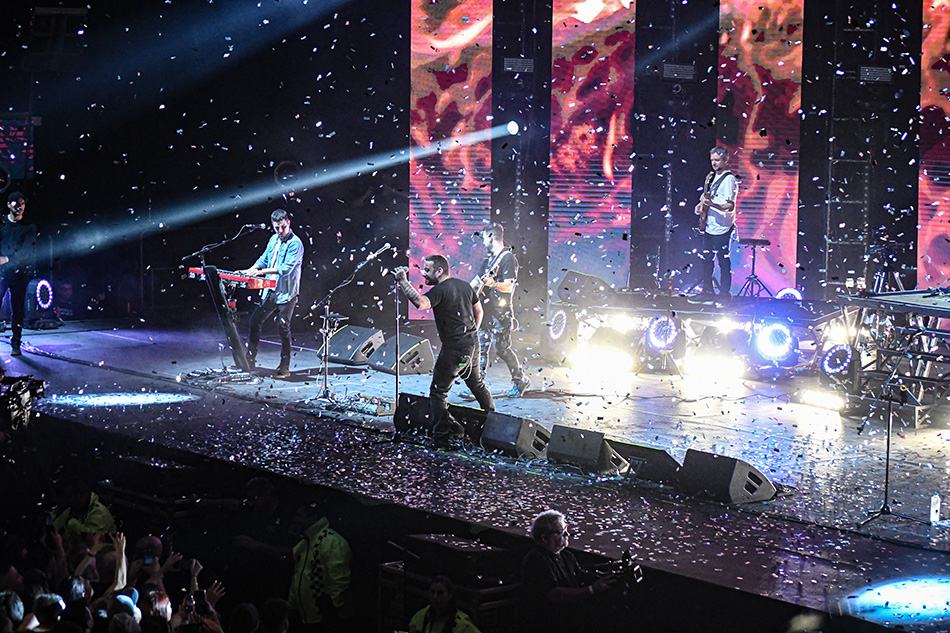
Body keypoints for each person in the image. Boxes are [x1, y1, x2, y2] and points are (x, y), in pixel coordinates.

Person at [394, 255, 494, 448]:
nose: (423, 273)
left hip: (455, 349)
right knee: (476, 384)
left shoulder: (440, 290)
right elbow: (479, 311)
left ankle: (441, 440)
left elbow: (421, 303)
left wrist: (403, 281)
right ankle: (493, 426)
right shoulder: (465, 286)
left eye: (427, 270)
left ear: (439, 271)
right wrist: (471, 333)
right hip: (472, 344)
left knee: (438, 392)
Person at [520, 510, 620, 633]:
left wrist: (603, 577)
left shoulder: (566, 555)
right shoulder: (536, 560)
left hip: (566, 618)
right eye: (561, 532)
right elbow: (554, 594)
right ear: (545, 538)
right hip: (547, 622)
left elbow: (579, 575)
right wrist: (592, 589)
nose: (567, 534)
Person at [239, 209, 304, 378]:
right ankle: (250, 360)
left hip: (286, 293)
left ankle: (285, 367)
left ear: (288, 223)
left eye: (283, 227)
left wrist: (260, 273)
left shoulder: (295, 243)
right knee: (255, 322)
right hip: (269, 291)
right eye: (277, 228)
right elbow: (264, 258)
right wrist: (251, 269)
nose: (280, 231)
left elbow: (286, 269)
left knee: (283, 327)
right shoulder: (273, 239)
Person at [473, 224, 529, 397]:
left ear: (490, 236)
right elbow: (476, 283)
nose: (482, 242)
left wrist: (494, 284)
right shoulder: (486, 261)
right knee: (481, 348)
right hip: (486, 311)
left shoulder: (507, 258)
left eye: (483, 238)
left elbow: (510, 286)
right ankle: (478, 388)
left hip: (500, 313)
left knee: (501, 349)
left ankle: (520, 379)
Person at [694, 147, 738, 298]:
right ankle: (707, 291)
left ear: (725, 160)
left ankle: (724, 294)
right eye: (712, 160)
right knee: (707, 260)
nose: (713, 163)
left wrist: (712, 205)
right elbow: (706, 195)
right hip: (709, 226)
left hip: (722, 228)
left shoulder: (729, 179)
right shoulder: (711, 177)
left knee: (723, 262)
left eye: (717, 160)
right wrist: (700, 205)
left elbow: (729, 205)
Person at [0, 191, 36, 356]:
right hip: (1, 274)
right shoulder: (2, 224)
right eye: (16, 203)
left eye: (22, 203)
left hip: (19, 274)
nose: (20, 207)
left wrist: (6, 259)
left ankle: (16, 343)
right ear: (9, 205)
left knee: (18, 309)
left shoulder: (28, 227)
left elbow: (25, 253)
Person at [407, 576, 481, 633]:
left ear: (450, 595)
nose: (435, 597)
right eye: (432, 592)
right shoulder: (421, 617)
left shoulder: (462, 625)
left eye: (440, 593)